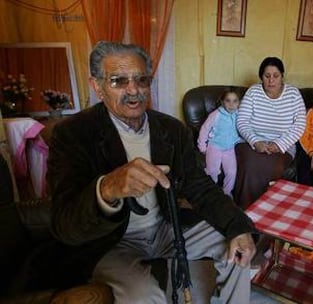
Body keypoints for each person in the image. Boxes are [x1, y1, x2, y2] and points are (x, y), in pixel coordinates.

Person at [47, 41, 256, 303]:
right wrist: (107, 189)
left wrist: (237, 226)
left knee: (239, 248)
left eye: (141, 79)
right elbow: (63, 224)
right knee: (148, 297)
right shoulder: (72, 134)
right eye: (118, 81)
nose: (133, 90)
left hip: (166, 227)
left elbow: (200, 186)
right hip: (110, 243)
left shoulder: (172, 130)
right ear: (97, 86)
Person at [234, 57, 306, 210]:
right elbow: (242, 121)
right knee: (250, 163)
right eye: (267, 76)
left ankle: (256, 211)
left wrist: (279, 145)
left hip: (282, 146)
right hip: (250, 143)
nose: (271, 80)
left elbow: (300, 125)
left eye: (276, 76)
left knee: (269, 165)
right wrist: (255, 142)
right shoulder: (253, 91)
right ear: (261, 77)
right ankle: (246, 212)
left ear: (282, 76)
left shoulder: (293, 94)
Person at [197, 88, 243, 197]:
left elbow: (243, 129)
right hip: (215, 147)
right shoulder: (216, 114)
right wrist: (202, 146)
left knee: (231, 172)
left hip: (230, 148)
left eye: (235, 101)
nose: (231, 104)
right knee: (212, 171)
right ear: (222, 102)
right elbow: (205, 129)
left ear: (239, 103)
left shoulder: (239, 115)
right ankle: (211, 193)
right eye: (228, 100)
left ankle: (226, 193)